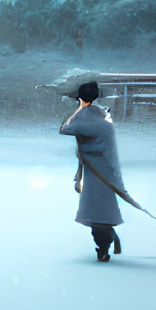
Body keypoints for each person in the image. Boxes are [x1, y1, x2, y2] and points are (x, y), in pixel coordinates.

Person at [60, 80, 126, 262]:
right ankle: (105, 243)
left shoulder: (84, 118)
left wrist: (79, 109)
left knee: (97, 210)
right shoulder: (103, 118)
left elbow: (65, 128)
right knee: (102, 208)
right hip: (104, 170)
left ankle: (103, 245)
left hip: (94, 172)